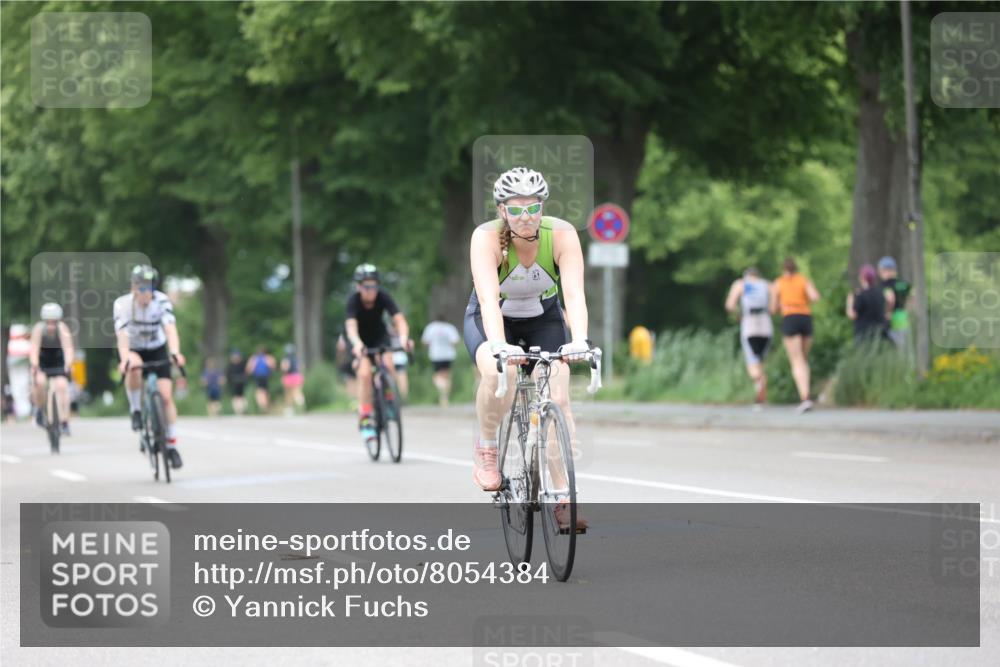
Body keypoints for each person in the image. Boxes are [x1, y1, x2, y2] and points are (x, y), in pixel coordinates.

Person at [464, 166, 592, 530]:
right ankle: (487, 450)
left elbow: (575, 294)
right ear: (502, 210)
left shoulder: (562, 234)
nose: (526, 216)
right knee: (498, 371)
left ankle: (563, 499)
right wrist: (500, 346)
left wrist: (579, 340)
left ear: (543, 207)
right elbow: (488, 300)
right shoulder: (485, 237)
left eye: (533, 207)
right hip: (492, 318)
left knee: (559, 389)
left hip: (544, 318)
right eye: (516, 209)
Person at [114, 265, 187, 468]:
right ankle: (136, 409)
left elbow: (170, 328)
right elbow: (122, 336)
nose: (146, 293)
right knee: (134, 367)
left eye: (150, 288)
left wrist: (175, 352)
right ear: (134, 287)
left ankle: (171, 445)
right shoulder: (123, 305)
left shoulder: (161, 301)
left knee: (165, 396)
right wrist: (124, 359)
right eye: (142, 288)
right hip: (134, 349)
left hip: (157, 348)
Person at [345, 264, 412, 447]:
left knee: (388, 364)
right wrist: (357, 344)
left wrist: (404, 338)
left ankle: (389, 400)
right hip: (360, 339)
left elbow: (399, 320)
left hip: (379, 335)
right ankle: (365, 416)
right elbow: (351, 327)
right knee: (365, 374)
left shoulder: (383, 296)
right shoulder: (353, 300)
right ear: (359, 286)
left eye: (374, 285)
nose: (371, 290)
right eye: (367, 286)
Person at [770, 257, 820, 414]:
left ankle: (804, 398)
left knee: (796, 361)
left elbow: (772, 308)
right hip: (805, 317)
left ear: (783, 269)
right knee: (803, 360)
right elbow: (815, 297)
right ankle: (806, 395)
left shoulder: (778, 283)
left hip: (790, 317)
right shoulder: (803, 280)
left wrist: (782, 304)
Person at [725, 267, 773, 409]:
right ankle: (761, 394)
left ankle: (759, 383)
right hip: (765, 323)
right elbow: (775, 305)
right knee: (761, 360)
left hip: (749, 322)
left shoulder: (740, 284)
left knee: (752, 360)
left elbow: (730, 305)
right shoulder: (767, 284)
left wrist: (739, 315)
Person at [29, 303, 75, 435]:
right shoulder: (38, 329)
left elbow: (68, 349)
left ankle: (65, 422)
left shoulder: (62, 329)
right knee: (40, 382)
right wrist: (35, 365)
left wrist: (68, 364)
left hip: (58, 362)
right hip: (42, 362)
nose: (51, 325)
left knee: (62, 386)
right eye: (48, 322)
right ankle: (38, 409)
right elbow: (34, 350)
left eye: (53, 322)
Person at [421, 315, 461, 407]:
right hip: (448, 354)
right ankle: (444, 396)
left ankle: (442, 390)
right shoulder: (450, 327)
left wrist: (430, 346)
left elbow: (425, 342)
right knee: (447, 376)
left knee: (437, 376)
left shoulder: (431, 327)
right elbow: (455, 341)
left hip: (436, 355)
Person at [847, 264, 889, 345]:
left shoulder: (860, 295)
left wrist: (849, 302)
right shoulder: (880, 293)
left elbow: (852, 315)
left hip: (863, 335)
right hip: (879, 333)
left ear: (862, 278)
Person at [878, 256, 911, 349]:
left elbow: (890, 298)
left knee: (890, 350)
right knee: (902, 350)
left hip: (888, 320)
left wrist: (888, 312)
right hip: (902, 319)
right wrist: (908, 312)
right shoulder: (902, 284)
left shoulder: (883, 285)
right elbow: (912, 298)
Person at [245, 346, 275, 413]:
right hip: (265, 376)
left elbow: (249, 369)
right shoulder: (268, 357)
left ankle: (262, 406)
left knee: (259, 392)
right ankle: (265, 406)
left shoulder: (254, 358)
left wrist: (249, 374)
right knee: (265, 391)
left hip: (258, 377)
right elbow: (272, 366)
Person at [280, 343, 305, 415]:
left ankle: (289, 410)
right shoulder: (296, 358)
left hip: (288, 377)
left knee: (288, 394)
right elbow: (301, 367)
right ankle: (301, 405)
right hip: (297, 376)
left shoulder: (285, 359)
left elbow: (284, 368)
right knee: (298, 392)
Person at [334, 332, 358, 405]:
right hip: (348, 361)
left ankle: (357, 400)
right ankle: (353, 400)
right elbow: (340, 347)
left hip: (354, 359)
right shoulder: (343, 335)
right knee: (350, 380)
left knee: (356, 380)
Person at [388, 327, 410, 400]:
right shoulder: (402, 331)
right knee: (402, 378)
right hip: (399, 357)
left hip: (391, 356)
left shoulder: (387, 330)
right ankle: (403, 398)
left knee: (393, 378)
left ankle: (395, 397)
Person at [225, 349, 248, 415]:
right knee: (239, 396)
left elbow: (227, 375)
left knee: (238, 396)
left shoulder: (231, 365)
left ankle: (239, 410)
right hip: (238, 382)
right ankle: (240, 409)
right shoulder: (242, 363)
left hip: (237, 382)